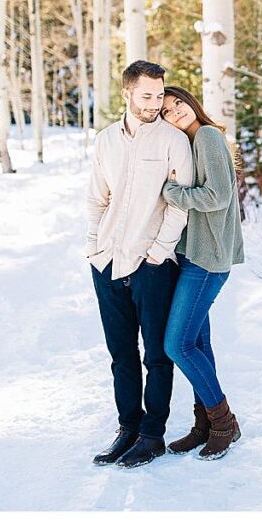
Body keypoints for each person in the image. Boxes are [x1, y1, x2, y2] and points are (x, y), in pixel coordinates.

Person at [86, 61, 194, 468]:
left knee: (156, 356)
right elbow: (97, 198)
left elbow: (178, 204)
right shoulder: (106, 141)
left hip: (152, 265)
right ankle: (127, 428)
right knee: (121, 355)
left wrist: (157, 252)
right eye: (146, 95)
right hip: (107, 263)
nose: (154, 103)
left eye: (159, 94)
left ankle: (153, 434)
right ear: (128, 94)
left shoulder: (172, 141)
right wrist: (94, 249)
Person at [159, 86, 244, 460]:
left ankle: (224, 422)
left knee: (176, 344)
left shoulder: (208, 136)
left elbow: (217, 197)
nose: (175, 111)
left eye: (178, 103)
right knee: (198, 344)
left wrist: (170, 192)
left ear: (191, 103)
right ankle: (203, 424)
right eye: (166, 111)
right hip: (194, 256)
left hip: (207, 261)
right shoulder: (190, 144)